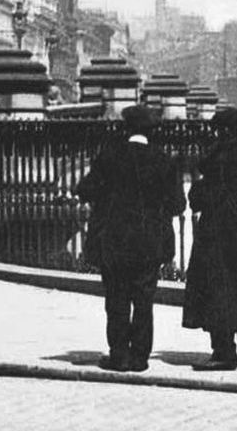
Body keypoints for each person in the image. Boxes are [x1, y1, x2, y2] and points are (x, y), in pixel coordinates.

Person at [75, 104, 186, 373]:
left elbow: (85, 190)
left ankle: (119, 354)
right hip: (149, 243)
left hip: (114, 240)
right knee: (144, 300)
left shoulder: (110, 156)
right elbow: (177, 205)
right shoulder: (164, 160)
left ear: (126, 129)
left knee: (117, 299)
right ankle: (140, 357)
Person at [182, 107, 237, 371]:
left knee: (219, 291)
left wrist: (199, 185)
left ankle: (223, 352)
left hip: (219, 237)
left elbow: (199, 200)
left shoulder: (219, 160)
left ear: (223, 132)